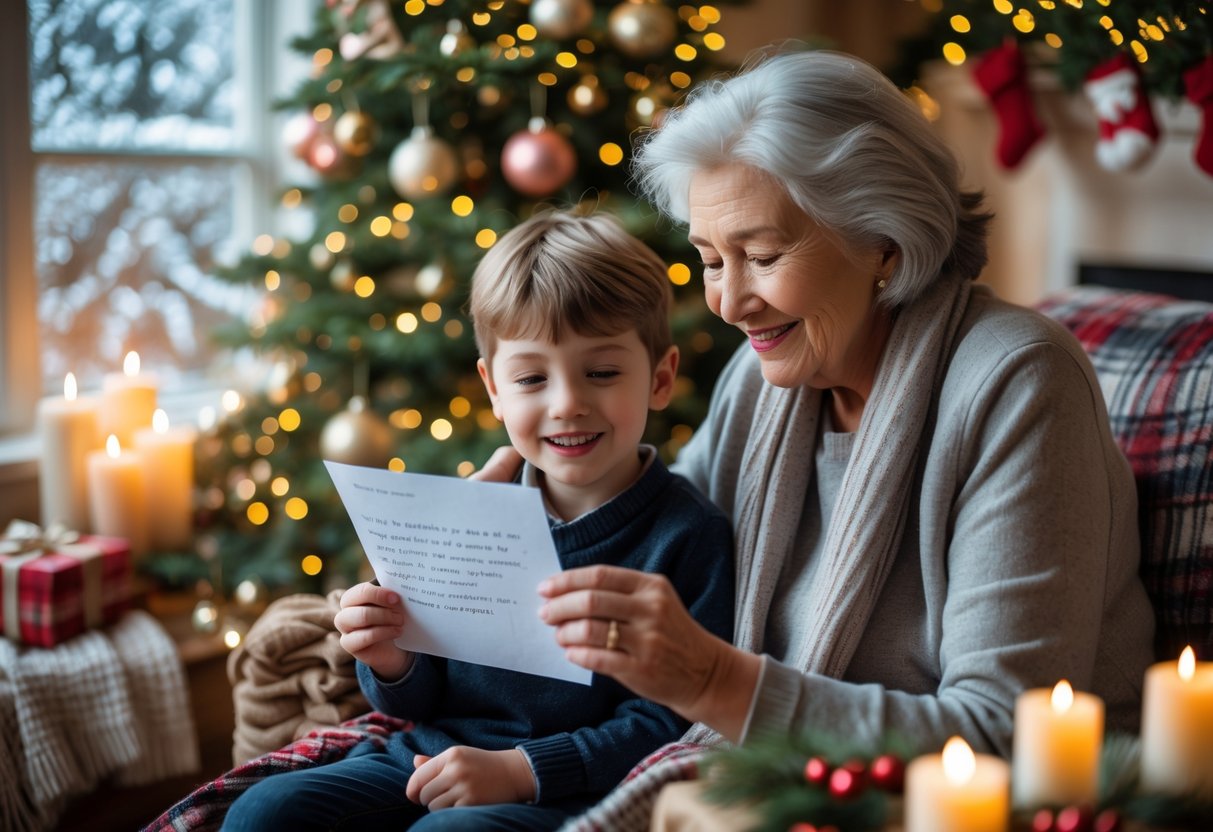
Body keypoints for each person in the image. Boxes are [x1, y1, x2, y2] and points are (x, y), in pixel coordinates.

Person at [475, 47, 1156, 828]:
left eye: (762, 257)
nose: (730, 302)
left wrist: (713, 684)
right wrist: (512, 514)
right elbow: (651, 532)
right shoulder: (765, 376)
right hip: (777, 773)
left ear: (883, 244)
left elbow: (1002, 734)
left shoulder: (1014, 380)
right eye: (708, 260)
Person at [219, 211, 735, 831]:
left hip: (573, 788)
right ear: (494, 388)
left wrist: (522, 770)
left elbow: (669, 721)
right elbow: (420, 694)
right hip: (422, 754)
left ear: (660, 378)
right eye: (532, 378)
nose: (567, 402)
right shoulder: (470, 515)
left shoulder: (688, 535)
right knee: (264, 810)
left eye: (601, 372)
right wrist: (390, 659)